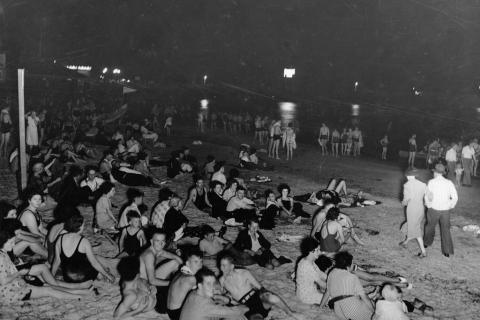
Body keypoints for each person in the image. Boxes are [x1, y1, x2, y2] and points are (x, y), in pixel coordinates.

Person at [0, 227, 92, 304]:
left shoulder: (3, 253)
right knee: (47, 290)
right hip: (9, 293)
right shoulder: (1, 257)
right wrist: (20, 273)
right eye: (11, 243)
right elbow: (3, 281)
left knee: (46, 286)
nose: (13, 245)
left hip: (14, 285)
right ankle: (79, 296)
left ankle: (80, 292)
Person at [219, 254, 300, 320]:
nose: (221, 268)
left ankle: (290, 312)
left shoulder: (244, 273)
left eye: (224, 265)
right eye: (221, 265)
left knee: (272, 297)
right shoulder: (222, 280)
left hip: (255, 298)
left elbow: (259, 287)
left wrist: (266, 295)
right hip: (243, 305)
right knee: (256, 318)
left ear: (232, 266)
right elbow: (221, 296)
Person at [51, 214, 116, 283]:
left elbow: (57, 261)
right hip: (82, 276)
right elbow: (94, 262)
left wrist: (51, 276)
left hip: (68, 277)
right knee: (98, 270)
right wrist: (107, 275)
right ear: (79, 227)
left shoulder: (60, 239)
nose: (84, 227)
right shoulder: (84, 241)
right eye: (83, 225)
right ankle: (102, 275)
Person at [320, 251, 374, 320]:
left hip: (339, 312)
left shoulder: (332, 273)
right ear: (348, 266)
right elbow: (364, 298)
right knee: (371, 305)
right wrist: (374, 312)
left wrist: (320, 307)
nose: (353, 265)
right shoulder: (352, 277)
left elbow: (327, 292)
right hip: (353, 310)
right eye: (352, 263)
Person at [180, 268, 248, 320]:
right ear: (200, 286)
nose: (213, 287)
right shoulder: (205, 306)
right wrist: (247, 306)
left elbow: (210, 306)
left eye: (213, 283)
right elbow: (238, 311)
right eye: (208, 284)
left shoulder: (193, 293)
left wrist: (221, 299)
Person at [139, 230, 182, 313]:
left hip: (150, 279)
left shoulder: (156, 249)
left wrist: (183, 265)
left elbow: (175, 258)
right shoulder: (149, 255)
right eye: (157, 241)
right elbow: (152, 280)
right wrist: (172, 283)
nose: (161, 244)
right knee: (163, 308)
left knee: (175, 262)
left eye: (163, 241)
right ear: (151, 241)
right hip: (146, 284)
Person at [423, 163, 458, 257]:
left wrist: (428, 205)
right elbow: (455, 197)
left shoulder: (431, 182)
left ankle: (427, 243)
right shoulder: (449, 183)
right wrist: (450, 205)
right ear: (443, 173)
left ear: (435, 173)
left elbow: (427, 196)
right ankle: (447, 251)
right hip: (445, 210)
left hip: (433, 209)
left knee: (430, 226)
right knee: (446, 229)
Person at [166, 250, 203, 320]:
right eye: (196, 262)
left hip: (170, 310)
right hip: (177, 314)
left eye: (201, 261)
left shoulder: (181, 272)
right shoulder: (191, 279)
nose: (200, 265)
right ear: (188, 263)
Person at [399, 169, 427, 257]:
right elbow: (429, 196)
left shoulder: (407, 185)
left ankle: (423, 252)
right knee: (414, 225)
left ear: (407, 176)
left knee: (415, 228)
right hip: (420, 208)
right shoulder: (422, 184)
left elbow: (406, 199)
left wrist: (403, 202)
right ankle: (405, 242)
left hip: (412, 208)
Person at [296, 237, 327, 304]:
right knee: (332, 298)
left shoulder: (308, 260)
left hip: (310, 291)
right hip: (306, 297)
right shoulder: (307, 266)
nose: (320, 252)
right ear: (311, 251)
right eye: (318, 250)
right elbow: (322, 284)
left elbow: (320, 273)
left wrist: (332, 278)